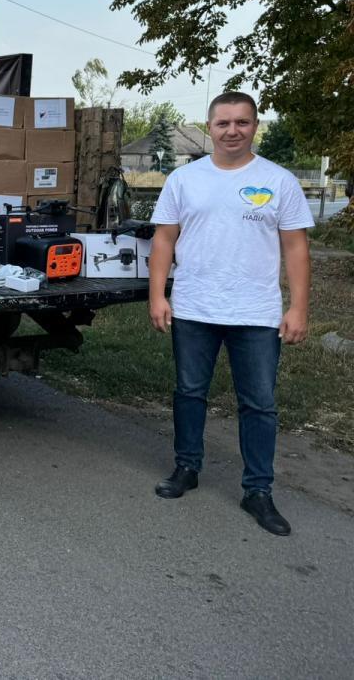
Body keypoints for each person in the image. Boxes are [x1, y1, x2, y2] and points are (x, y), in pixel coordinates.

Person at [148, 91, 313, 536]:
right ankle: (186, 468)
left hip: (256, 313)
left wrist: (298, 307)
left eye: (242, 122)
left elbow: (295, 248)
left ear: (255, 126)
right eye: (223, 123)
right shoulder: (185, 180)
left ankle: (257, 491)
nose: (232, 131)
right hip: (195, 306)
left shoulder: (279, 181)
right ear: (210, 127)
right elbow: (164, 239)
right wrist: (157, 296)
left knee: (259, 404)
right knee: (189, 391)